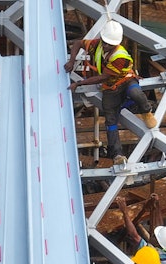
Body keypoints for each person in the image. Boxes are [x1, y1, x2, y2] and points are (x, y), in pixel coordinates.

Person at [65, 20, 157, 164]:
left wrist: (80, 83)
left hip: (125, 81)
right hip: (110, 88)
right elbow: (78, 43)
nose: (106, 46)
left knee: (136, 94)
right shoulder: (98, 45)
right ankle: (118, 155)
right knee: (110, 120)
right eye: (105, 42)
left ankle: (146, 111)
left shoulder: (120, 57)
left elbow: (103, 77)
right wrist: (71, 61)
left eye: (110, 44)